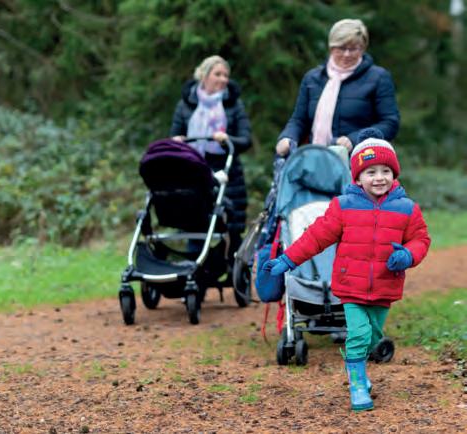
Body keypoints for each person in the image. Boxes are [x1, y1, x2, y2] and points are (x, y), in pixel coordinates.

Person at [262, 136, 430, 412]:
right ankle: (358, 384)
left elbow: (420, 239)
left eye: (385, 171)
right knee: (359, 334)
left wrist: (409, 255)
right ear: (358, 177)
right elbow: (315, 237)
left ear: (394, 173)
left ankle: (363, 366)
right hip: (350, 285)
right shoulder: (343, 206)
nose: (379, 178)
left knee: (373, 334)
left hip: (385, 286)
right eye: (371, 172)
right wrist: (287, 259)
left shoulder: (407, 208)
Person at [275, 18, 400, 157]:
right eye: (341, 48)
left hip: (359, 160)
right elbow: (299, 120)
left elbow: (389, 124)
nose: (347, 54)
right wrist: (287, 137)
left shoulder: (378, 77)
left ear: (363, 48)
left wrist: (353, 140)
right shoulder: (312, 78)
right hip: (314, 159)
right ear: (331, 47)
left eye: (353, 49)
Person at [170, 55, 252, 260]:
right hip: (193, 169)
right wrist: (177, 140)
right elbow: (174, 136)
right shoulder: (185, 105)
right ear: (204, 76)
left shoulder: (234, 105)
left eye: (226, 75)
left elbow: (246, 140)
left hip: (227, 173)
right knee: (195, 221)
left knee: (232, 226)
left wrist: (227, 139)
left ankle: (234, 265)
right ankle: (193, 266)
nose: (223, 79)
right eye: (218, 74)